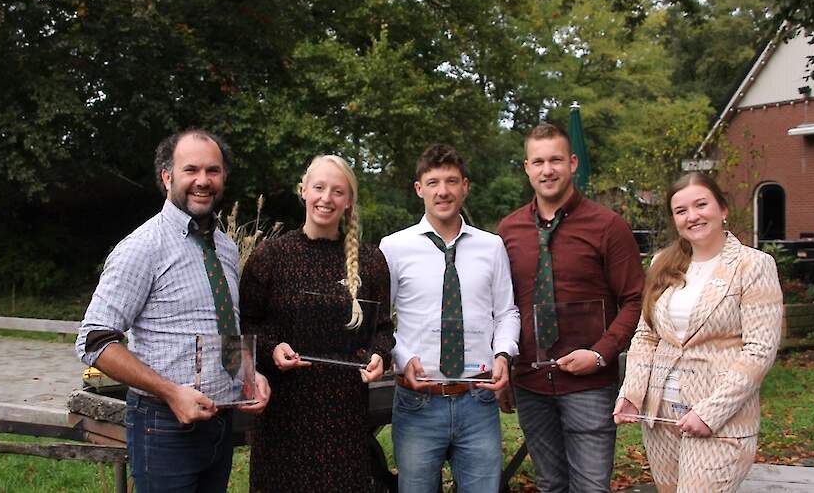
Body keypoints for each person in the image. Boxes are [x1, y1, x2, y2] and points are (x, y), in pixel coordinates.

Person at [76, 129, 270, 493]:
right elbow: (94, 340)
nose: (203, 181)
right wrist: (170, 392)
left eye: (213, 171)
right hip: (163, 426)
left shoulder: (225, 249)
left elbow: (225, 328)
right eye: (190, 170)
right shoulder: (142, 247)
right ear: (167, 176)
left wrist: (246, 378)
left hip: (219, 424)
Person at [613, 172, 783, 492]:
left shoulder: (754, 265)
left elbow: (759, 350)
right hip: (661, 418)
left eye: (701, 204)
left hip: (720, 421)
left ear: (723, 208)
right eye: (681, 211)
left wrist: (710, 412)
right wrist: (632, 395)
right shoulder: (663, 262)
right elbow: (647, 336)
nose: (692, 216)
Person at [497, 123, 644, 493]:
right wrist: (501, 363)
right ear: (527, 167)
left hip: (589, 386)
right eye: (539, 161)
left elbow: (635, 300)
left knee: (591, 487)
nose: (548, 170)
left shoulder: (608, 226)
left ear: (573, 163)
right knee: (550, 485)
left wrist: (600, 355)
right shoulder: (508, 231)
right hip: (530, 383)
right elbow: (500, 306)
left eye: (556, 160)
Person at [238, 155, 393, 493]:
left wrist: (379, 355)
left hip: (344, 416)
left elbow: (382, 328)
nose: (326, 198)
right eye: (319, 188)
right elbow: (246, 326)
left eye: (338, 191)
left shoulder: (370, 260)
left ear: (348, 200)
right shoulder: (271, 256)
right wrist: (271, 348)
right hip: (283, 413)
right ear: (304, 191)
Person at [380, 144, 520, 493]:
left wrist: (503, 354)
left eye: (451, 181)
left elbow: (506, 312)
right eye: (433, 182)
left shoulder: (492, 246)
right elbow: (380, 321)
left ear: (465, 186)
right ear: (419, 189)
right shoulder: (393, 248)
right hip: (418, 401)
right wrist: (400, 357)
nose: (443, 191)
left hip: (478, 398)